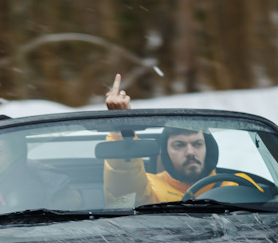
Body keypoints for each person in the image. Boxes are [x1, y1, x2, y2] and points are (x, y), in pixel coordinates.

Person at [102, 74, 255, 206]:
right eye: (179, 145)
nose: (190, 152)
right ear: (165, 153)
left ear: (208, 148)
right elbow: (126, 190)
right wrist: (122, 126)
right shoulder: (151, 187)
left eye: (197, 144)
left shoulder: (237, 184)